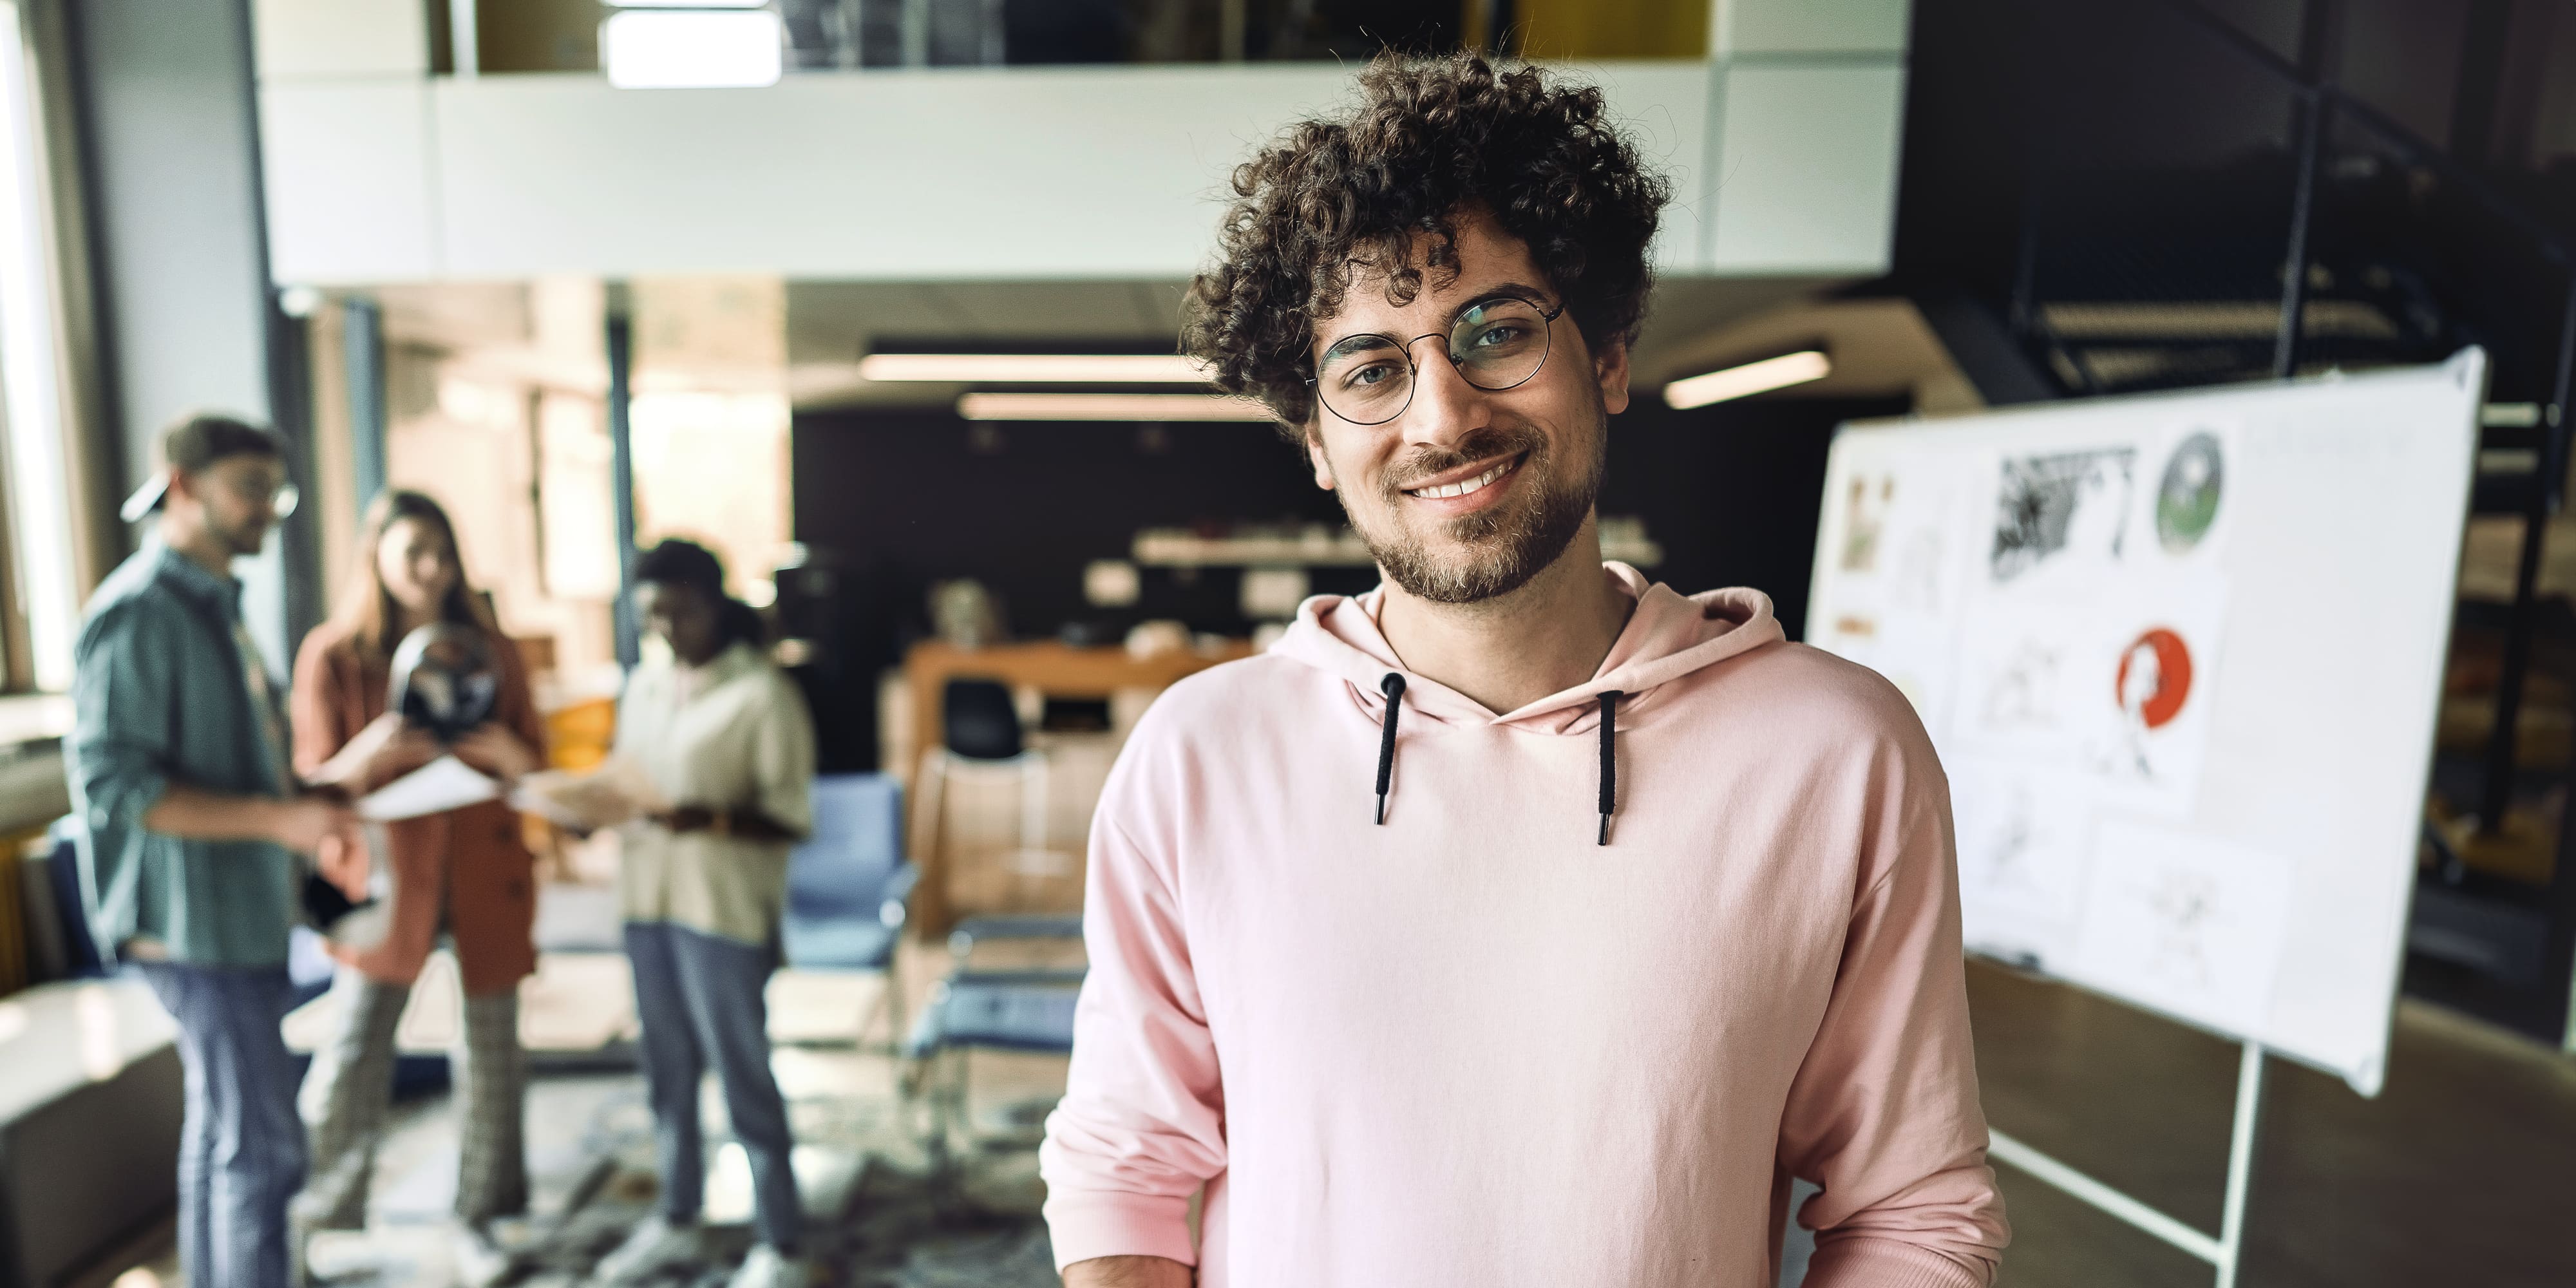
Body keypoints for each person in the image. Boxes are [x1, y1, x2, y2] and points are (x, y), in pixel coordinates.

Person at [1040, 55, 2011, 1288]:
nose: (1440, 416)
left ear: (1606, 356)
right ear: (1320, 445)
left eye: (1495, 332)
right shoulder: (1199, 756)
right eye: (1372, 368)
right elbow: (1125, 1175)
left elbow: (1913, 1210)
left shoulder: (1837, 753)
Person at [68, 413, 360, 1288]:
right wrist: (278, 824)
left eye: (277, 491)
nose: (269, 509)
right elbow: (116, 787)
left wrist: (314, 795)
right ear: (183, 487)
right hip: (192, 927)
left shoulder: (217, 604)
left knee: (226, 1139)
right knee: (266, 1153)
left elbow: (233, 762)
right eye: (250, 489)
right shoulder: (138, 613)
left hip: (238, 914)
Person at [288, 489, 547, 1285]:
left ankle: (478, 1217)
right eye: (413, 553)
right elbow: (309, 782)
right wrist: (362, 756)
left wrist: (509, 756)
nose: (431, 570)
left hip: (483, 874)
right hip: (381, 876)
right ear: (378, 558)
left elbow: (538, 769)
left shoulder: (492, 652)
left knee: (493, 1056)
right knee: (354, 1052)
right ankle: (323, 1214)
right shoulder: (334, 656)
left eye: (442, 551)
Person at [594, 540, 815, 1288]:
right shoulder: (646, 685)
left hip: (721, 908)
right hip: (646, 902)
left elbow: (791, 815)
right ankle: (678, 1214)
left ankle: (780, 1239)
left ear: (713, 603)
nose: (665, 628)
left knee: (741, 1069)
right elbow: (628, 780)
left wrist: (708, 819)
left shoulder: (763, 694)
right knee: (667, 1069)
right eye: (651, 614)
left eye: (678, 611)